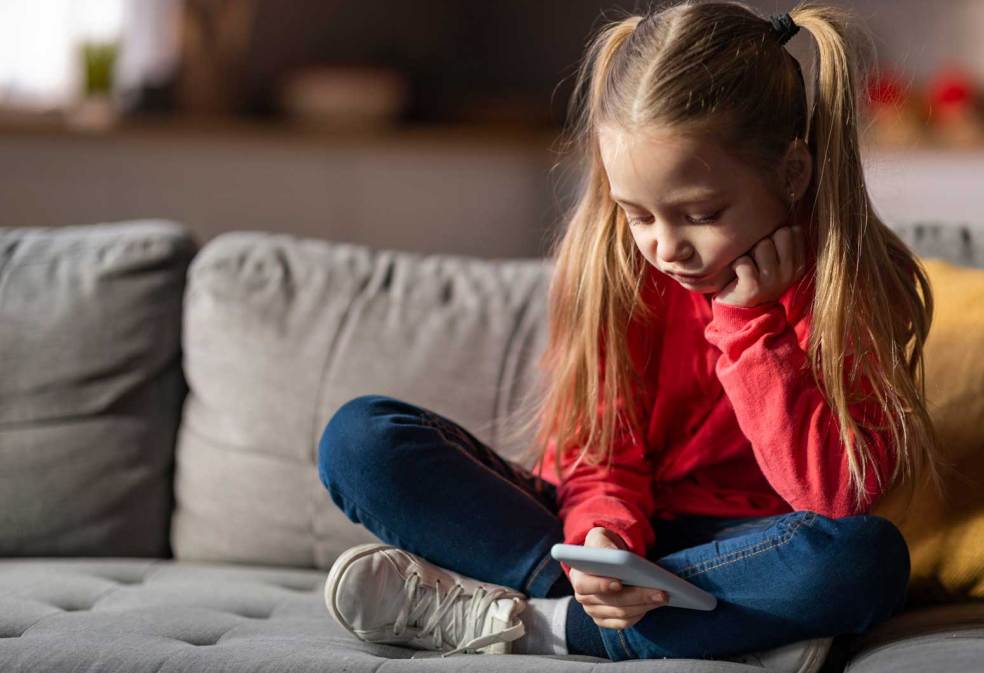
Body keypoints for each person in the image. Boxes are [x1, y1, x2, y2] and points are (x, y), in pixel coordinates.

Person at [316, 1, 946, 668]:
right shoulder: (615, 263)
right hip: (612, 531)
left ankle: (540, 626)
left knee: (865, 558)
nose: (666, 247)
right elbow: (601, 454)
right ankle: (674, 620)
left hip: (751, 549)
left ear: (792, 172)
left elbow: (834, 497)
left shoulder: (847, 279)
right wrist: (602, 539)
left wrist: (752, 323)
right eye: (638, 214)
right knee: (360, 440)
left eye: (700, 214)